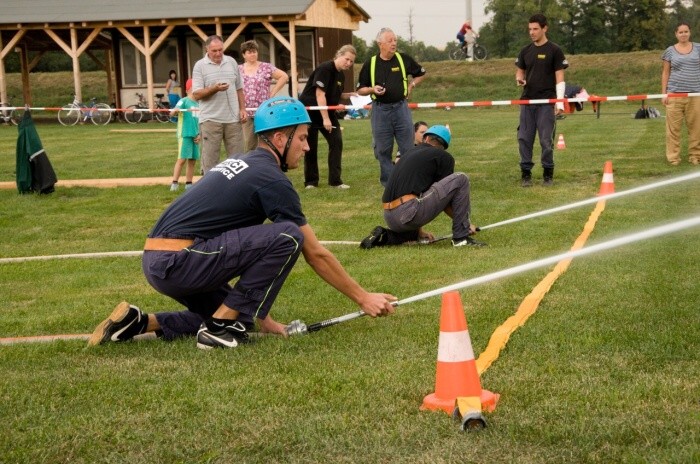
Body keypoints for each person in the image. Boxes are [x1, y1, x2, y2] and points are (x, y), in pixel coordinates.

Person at [87, 96, 397, 350]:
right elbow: (314, 252)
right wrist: (363, 297)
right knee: (289, 235)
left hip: (161, 261)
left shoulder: (246, 162)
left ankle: (140, 322)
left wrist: (264, 318)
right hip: (179, 261)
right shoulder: (271, 178)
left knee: (240, 316)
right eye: (302, 138)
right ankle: (220, 329)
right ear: (279, 138)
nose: (307, 147)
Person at [359, 125, 486, 249]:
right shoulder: (443, 157)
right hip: (408, 212)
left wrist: (419, 232)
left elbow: (420, 192)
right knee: (461, 178)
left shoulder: (409, 154)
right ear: (444, 146)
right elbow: (446, 199)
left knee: (411, 234)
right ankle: (461, 239)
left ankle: (386, 236)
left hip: (390, 217)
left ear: (426, 139)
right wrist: (466, 224)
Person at [357, 27, 426, 186]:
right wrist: (372, 89)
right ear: (380, 43)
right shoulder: (371, 64)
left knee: (408, 148)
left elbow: (421, 73)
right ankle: (389, 184)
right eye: (390, 41)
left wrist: (411, 85)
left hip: (401, 109)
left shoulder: (403, 59)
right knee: (382, 150)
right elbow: (360, 89)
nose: (394, 43)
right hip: (380, 110)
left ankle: (409, 182)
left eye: (395, 40)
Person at [515, 13, 568, 187]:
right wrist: (520, 79)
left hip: (547, 103)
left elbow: (560, 78)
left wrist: (559, 102)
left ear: (545, 28)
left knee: (546, 140)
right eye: (530, 29)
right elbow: (520, 71)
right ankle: (526, 174)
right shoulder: (525, 51)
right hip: (527, 102)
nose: (532, 32)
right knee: (524, 138)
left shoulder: (555, 50)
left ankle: (548, 174)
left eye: (535, 29)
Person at [299, 44, 357, 189]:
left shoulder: (341, 75)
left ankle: (335, 181)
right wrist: (325, 119)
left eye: (351, 61)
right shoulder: (325, 68)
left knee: (336, 141)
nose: (348, 63)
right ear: (339, 55)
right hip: (310, 112)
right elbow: (320, 94)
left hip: (326, 112)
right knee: (311, 147)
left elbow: (334, 95)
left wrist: (348, 95)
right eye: (347, 59)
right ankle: (311, 182)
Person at [191, 35, 247, 174]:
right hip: (210, 120)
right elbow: (196, 94)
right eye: (214, 51)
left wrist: (242, 109)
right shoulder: (199, 66)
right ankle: (210, 192)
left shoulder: (232, 62)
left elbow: (239, 88)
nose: (218, 53)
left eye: (220, 50)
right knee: (210, 162)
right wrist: (214, 89)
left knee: (237, 161)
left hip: (233, 120)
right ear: (207, 50)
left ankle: (237, 190)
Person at [239, 40, 289, 152]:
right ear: (244, 55)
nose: (252, 54)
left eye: (254, 51)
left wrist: (273, 92)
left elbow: (284, 77)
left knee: (266, 140)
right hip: (246, 112)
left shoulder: (266, 67)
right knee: (248, 143)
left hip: (263, 111)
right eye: (249, 52)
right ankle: (250, 165)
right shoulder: (238, 69)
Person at [661, 21, 700, 166]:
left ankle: (695, 156)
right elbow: (665, 72)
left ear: (690, 32)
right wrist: (664, 93)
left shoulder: (698, 48)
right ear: (676, 34)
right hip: (674, 95)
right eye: (680, 32)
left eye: (686, 31)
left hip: (695, 95)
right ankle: (673, 158)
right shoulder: (670, 51)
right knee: (673, 130)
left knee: (696, 128)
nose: (683, 34)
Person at [169, 79, 200, 191]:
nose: (195, 89)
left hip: (195, 135)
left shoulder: (199, 104)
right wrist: (175, 111)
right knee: (182, 159)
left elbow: (200, 121)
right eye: (193, 87)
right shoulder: (184, 101)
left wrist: (199, 134)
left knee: (192, 160)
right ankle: (174, 182)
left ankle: (189, 183)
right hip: (185, 134)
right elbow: (175, 110)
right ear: (187, 90)